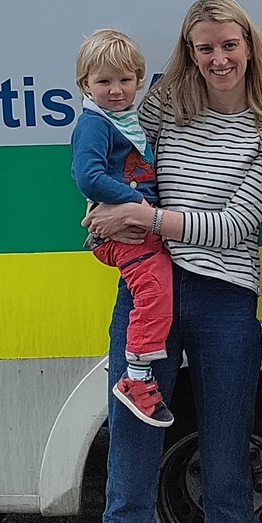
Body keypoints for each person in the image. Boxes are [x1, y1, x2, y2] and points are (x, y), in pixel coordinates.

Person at [80, 0, 262, 523]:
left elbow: (236, 226)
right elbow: (111, 146)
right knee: (130, 474)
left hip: (227, 303)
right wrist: (102, 216)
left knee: (228, 465)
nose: (219, 58)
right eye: (204, 48)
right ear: (188, 53)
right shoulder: (164, 107)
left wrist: (142, 216)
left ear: (249, 46)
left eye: (230, 44)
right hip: (147, 300)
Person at [70, 29, 175, 428]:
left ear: (139, 80)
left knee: (158, 286)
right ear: (85, 84)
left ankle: (140, 374)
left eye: (125, 80)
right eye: (104, 82)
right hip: (125, 230)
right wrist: (139, 207)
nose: (116, 90)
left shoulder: (127, 119)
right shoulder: (94, 126)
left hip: (137, 225)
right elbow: (88, 176)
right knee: (155, 286)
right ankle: (136, 377)